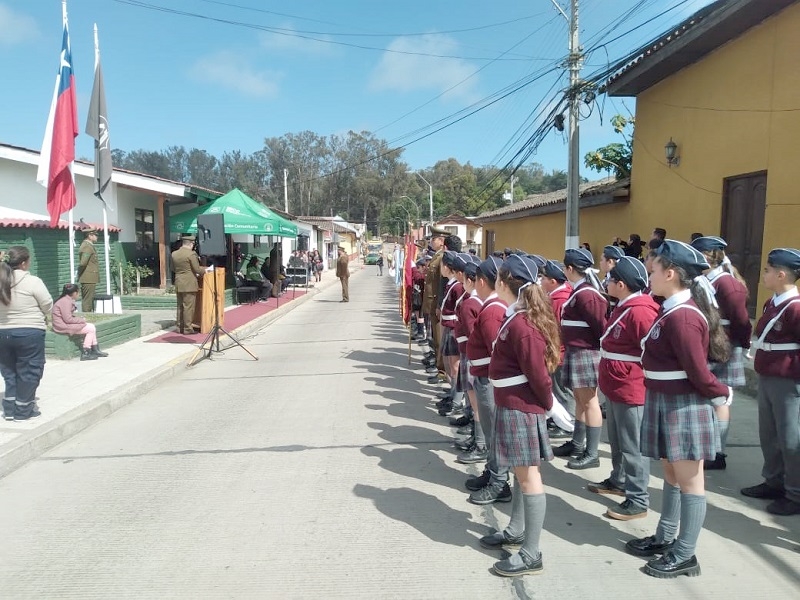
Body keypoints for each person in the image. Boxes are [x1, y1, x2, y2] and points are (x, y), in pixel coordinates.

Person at [626, 240, 731, 578]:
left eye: (653, 270)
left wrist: (720, 393)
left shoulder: (684, 316)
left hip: (683, 403)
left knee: (689, 481)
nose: (649, 275)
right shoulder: (670, 309)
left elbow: (698, 371)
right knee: (671, 474)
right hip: (665, 398)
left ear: (670, 273)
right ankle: (666, 536)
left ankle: (685, 553)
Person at [478, 255, 560, 577]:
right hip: (512, 405)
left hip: (521, 409)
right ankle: (516, 530)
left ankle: (531, 552)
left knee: (528, 478)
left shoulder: (524, 325)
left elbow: (538, 376)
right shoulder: (517, 317)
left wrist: (550, 404)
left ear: (504, 282)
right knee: (520, 474)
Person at [591, 257, 659, 521]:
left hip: (632, 388)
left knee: (634, 447)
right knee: (619, 442)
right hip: (617, 386)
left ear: (621, 284)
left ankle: (638, 499)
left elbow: (651, 351)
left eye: (610, 280)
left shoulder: (641, 310)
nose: (606, 283)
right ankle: (619, 481)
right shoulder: (624, 306)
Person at [741, 248, 800, 516]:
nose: (763, 274)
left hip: (788, 381)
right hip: (768, 375)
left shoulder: (795, 308)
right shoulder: (772, 303)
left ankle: (795, 493)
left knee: (790, 438)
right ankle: (774, 481)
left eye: (767, 270)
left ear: (781, 274)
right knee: (769, 434)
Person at [691, 236, 752, 470]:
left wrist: (743, 345)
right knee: (709, 397)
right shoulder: (705, 280)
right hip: (712, 344)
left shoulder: (726, 283)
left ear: (707, 256)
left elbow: (741, 321)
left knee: (721, 399)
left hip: (725, 346)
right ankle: (709, 447)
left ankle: (718, 452)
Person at [553, 248, 608, 469]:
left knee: (590, 402)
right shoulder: (579, 291)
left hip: (586, 353)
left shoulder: (587, 294)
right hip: (576, 351)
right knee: (580, 400)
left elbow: (600, 327)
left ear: (569, 269)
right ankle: (577, 444)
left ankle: (592, 452)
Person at [465, 255, 512, 505]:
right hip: (484, 377)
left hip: (490, 381)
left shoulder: (493, 310)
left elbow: (498, 351)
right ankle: (493, 472)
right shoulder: (492, 306)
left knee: (495, 434)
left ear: (482, 281)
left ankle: (500, 482)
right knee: (491, 431)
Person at [0, 246, 53, 422]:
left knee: (9, 372)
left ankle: (9, 410)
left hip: (2, 334)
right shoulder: (33, 282)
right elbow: (47, 305)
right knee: (29, 371)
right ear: (23, 263)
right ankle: (22, 411)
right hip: (29, 332)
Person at [52, 283, 109, 361]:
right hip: (62, 326)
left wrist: (79, 320)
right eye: (78, 292)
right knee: (90, 328)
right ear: (75, 293)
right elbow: (67, 319)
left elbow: (67, 317)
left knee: (91, 326)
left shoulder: (66, 299)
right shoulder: (65, 302)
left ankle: (95, 350)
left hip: (63, 324)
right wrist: (81, 320)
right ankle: (86, 352)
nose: (78, 294)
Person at [172, 234, 205, 334]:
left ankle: (179, 327)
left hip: (179, 282)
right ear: (191, 244)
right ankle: (187, 328)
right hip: (189, 283)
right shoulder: (191, 254)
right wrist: (206, 271)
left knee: (180, 306)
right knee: (188, 307)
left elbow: (173, 269)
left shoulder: (174, 254)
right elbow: (197, 269)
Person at [78, 228, 99, 312]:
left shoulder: (89, 246)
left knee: (89, 299)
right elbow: (83, 263)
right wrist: (80, 273)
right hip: (88, 277)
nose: (97, 237)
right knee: (87, 300)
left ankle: (88, 314)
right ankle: (87, 316)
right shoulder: (87, 246)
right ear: (90, 236)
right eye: (95, 235)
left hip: (89, 277)